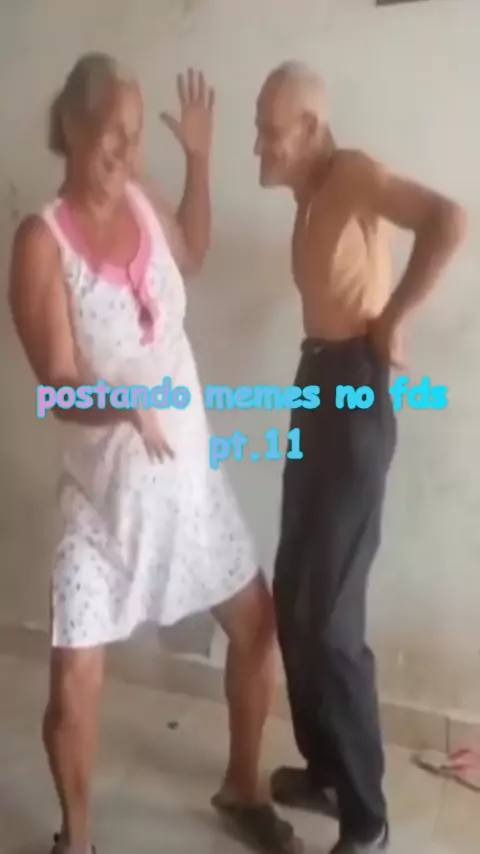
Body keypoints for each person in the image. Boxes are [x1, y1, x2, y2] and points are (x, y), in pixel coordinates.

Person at [9, 53, 302, 854]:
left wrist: (199, 159)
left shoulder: (140, 197)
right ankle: (77, 837)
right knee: (73, 688)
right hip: (105, 505)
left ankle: (242, 788)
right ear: (72, 125)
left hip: (191, 484)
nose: (126, 151)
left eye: (136, 136)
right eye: (114, 133)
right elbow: (56, 386)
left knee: (257, 625)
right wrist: (124, 404)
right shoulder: (42, 242)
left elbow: (192, 254)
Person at [254, 61, 467, 854]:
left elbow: (448, 219)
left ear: (311, 127)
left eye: (270, 130)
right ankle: (327, 770)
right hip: (317, 383)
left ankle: (367, 818)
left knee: (331, 614)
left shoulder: (350, 175)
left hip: (353, 389)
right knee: (294, 591)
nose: (258, 146)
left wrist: (395, 318)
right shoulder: (312, 196)